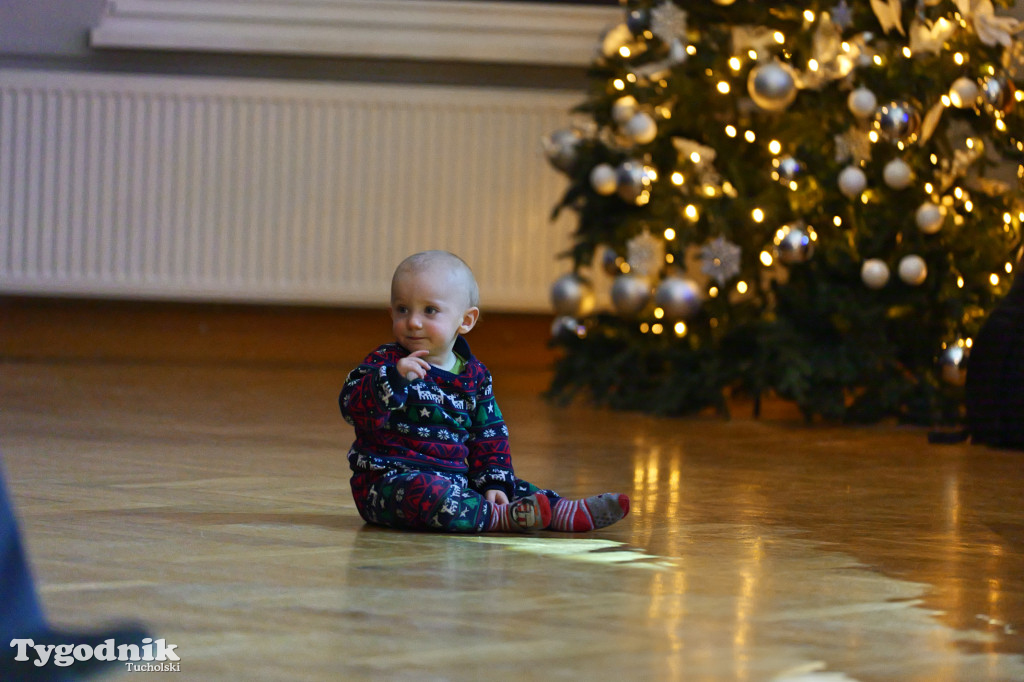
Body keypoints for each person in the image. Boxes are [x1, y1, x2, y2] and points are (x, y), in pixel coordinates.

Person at [339, 250, 630, 533]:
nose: (413, 321)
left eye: (430, 310)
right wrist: (392, 381)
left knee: (510, 485)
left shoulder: (475, 376)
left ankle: (561, 512)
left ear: (465, 320)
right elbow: (351, 408)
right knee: (426, 492)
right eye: (403, 309)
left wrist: (494, 483)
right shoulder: (385, 364)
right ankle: (501, 519)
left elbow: (489, 434)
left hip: (457, 481)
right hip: (387, 484)